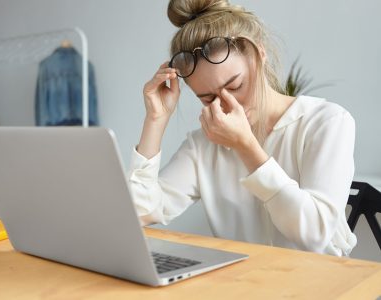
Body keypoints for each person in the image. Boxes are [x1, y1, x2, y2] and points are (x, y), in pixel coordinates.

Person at [128, 0, 357, 256]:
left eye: (235, 86)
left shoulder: (326, 122)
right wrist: (156, 120)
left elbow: (314, 234)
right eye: (208, 98)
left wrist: (245, 145)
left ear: (259, 55)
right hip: (242, 284)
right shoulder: (203, 145)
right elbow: (139, 213)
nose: (228, 104)